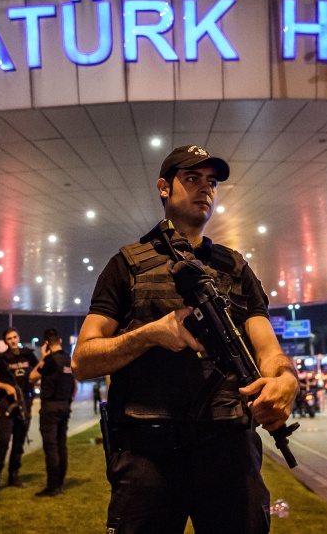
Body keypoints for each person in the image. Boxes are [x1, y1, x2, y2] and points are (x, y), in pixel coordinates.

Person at [72, 144, 298, 534]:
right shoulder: (127, 265)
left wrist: (285, 381)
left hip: (228, 450)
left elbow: (269, 351)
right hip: (149, 454)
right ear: (164, 187)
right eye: (192, 179)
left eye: (211, 182)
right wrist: (151, 334)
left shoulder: (234, 267)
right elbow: (83, 361)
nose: (205, 189)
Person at [0, 327, 38, 491]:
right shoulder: (1, 360)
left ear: (18, 337)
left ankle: (13, 476)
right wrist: (6, 387)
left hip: (25, 403)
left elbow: (39, 369)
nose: (13, 340)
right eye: (9, 338)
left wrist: (34, 379)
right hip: (7, 404)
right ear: (6, 342)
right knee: (3, 441)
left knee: (19, 442)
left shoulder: (28, 355)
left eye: (15, 337)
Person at [29, 327, 76, 496]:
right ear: (60, 341)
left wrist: (42, 358)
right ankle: (60, 483)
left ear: (46, 344)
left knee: (51, 448)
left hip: (50, 407)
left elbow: (32, 377)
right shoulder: (68, 359)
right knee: (61, 445)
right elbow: (74, 385)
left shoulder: (49, 361)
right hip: (64, 405)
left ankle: (53, 486)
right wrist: (68, 401)